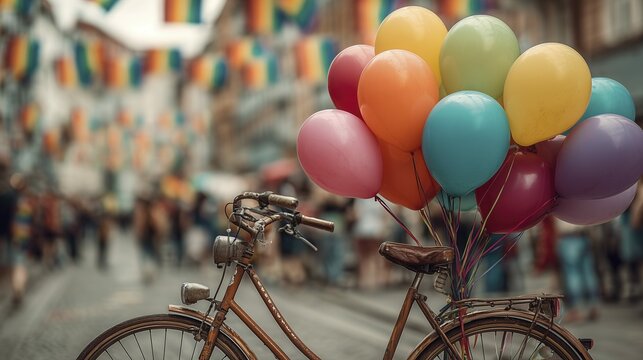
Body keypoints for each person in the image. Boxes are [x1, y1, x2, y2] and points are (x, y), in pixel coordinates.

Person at [555, 219, 600, 322]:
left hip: (568, 236)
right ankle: (593, 306)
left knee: (573, 275)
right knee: (588, 274)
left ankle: (576, 310)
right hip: (583, 234)